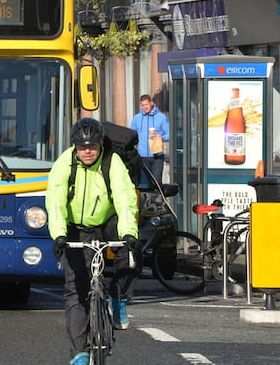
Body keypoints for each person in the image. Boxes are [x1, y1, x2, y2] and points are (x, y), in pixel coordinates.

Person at [46, 117, 139, 365]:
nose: (87, 151)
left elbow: (124, 198)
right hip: (77, 227)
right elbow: (55, 201)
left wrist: (129, 232)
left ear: (100, 144)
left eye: (92, 146)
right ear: (75, 146)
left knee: (130, 253)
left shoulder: (113, 162)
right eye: (82, 146)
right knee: (75, 290)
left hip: (108, 220)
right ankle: (79, 352)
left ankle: (118, 298)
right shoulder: (64, 163)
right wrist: (59, 235)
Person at [129, 94, 170, 185]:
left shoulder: (161, 117)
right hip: (142, 156)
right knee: (143, 183)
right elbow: (131, 134)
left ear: (151, 103)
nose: (145, 107)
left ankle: (156, 199)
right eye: (143, 105)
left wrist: (160, 137)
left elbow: (169, 135)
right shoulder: (137, 118)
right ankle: (145, 199)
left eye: (146, 105)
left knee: (156, 182)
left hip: (157, 156)